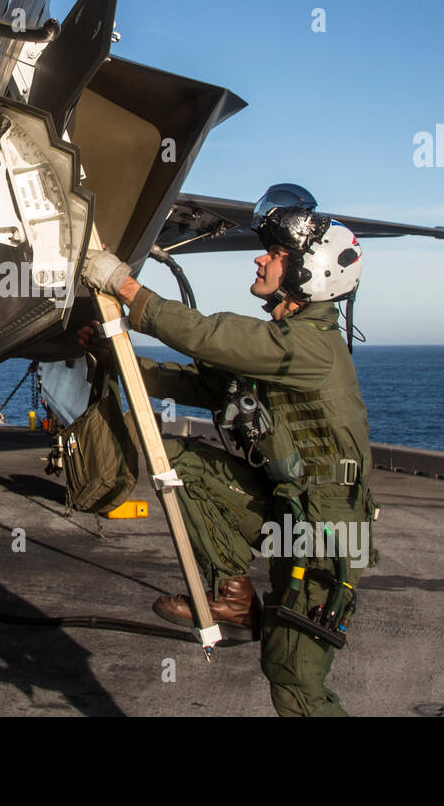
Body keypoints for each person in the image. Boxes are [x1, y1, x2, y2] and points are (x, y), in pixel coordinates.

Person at [79, 185, 376, 716]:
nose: (262, 258)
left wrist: (125, 288)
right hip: (285, 506)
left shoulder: (309, 347)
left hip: (328, 533)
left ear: (310, 275)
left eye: (278, 255)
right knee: (179, 461)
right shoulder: (282, 345)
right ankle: (235, 598)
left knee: (293, 679)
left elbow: (208, 335)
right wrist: (114, 353)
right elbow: (202, 383)